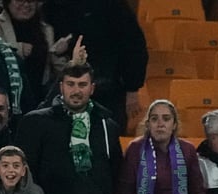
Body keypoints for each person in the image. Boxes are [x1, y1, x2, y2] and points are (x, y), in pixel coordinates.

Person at [16, 62, 122, 194]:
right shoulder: (36, 122)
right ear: (61, 86)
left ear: (92, 88)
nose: (76, 90)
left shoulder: (107, 125)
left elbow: (115, 176)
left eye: (82, 84)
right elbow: (25, 173)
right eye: (71, 84)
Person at [41, 0, 147, 130]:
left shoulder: (113, 6)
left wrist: (132, 88)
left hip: (109, 89)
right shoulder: (55, 7)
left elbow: (134, 46)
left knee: (107, 136)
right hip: (72, 86)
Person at [117, 99, 208, 194]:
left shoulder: (187, 150)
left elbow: (198, 191)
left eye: (166, 119)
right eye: (154, 119)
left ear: (174, 124)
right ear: (148, 124)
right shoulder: (135, 149)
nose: (160, 124)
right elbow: (124, 193)